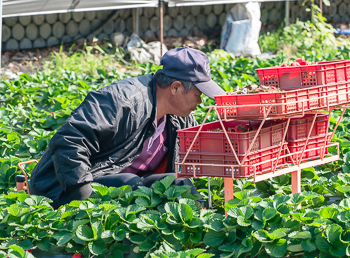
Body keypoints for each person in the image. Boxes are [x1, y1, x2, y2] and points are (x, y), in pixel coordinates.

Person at [28, 47, 225, 208]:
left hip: (129, 183)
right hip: (62, 189)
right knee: (129, 183)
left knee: (180, 184)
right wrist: (82, 195)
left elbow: (202, 147)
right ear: (175, 88)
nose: (200, 101)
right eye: (198, 94)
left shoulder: (178, 116)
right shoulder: (121, 101)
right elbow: (68, 141)